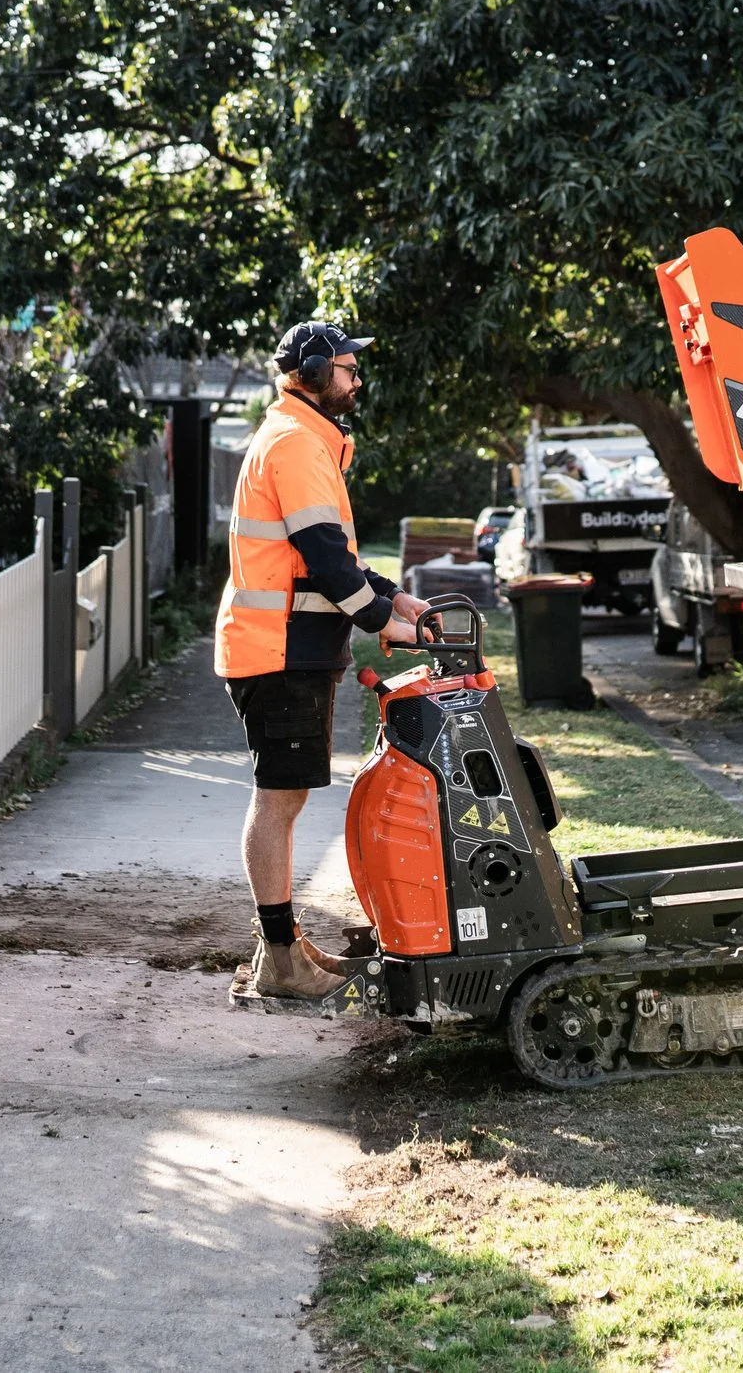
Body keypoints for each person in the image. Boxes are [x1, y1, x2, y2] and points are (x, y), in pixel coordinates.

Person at [216, 322, 430, 1000]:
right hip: (276, 651)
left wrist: (399, 599)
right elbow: (329, 564)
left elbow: (336, 556)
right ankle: (280, 961)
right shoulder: (296, 445)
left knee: (286, 795)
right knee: (278, 798)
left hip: (285, 647)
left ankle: (278, 949)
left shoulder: (306, 439)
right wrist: (385, 621)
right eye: (346, 367)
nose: (356, 379)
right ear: (311, 372)